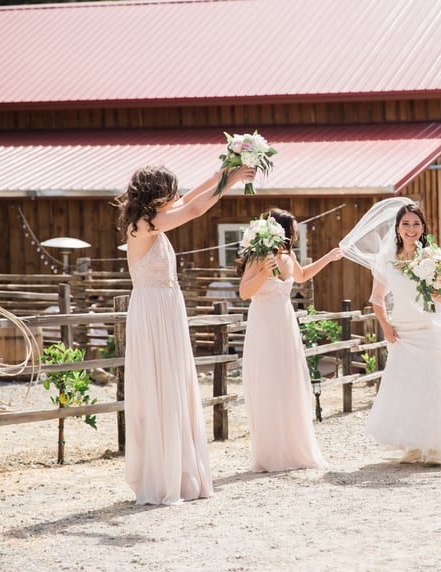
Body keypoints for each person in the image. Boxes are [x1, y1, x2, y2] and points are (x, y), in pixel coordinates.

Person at [116, 163, 255, 505]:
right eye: (171, 191)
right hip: (153, 312)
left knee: (173, 383)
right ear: (156, 195)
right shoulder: (144, 224)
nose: (176, 195)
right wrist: (230, 183)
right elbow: (193, 209)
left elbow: (189, 200)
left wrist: (220, 174)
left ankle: (179, 469)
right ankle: (163, 474)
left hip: (166, 308)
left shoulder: (154, 220)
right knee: (160, 384)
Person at [339, 198, 441, 466]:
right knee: (407, 389)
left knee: (433, 386)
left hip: (431, 329)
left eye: (416, 224)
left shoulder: (432, 256)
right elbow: (377, 299)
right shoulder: (387, 260)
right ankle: (412, 445)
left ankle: (436, 447)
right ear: (398, 228)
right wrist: (386, 327)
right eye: (406, 224)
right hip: (403, 332)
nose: (411, 229)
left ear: (423, 228)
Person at [237, 208, 343, 472]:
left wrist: (328, 258)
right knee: (268, 382)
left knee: (288, 381)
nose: (294, 236)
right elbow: (244, 292)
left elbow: (302, 275)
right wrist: (264, 272)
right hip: (263, 323)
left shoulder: (288, 256)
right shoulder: (258, 257)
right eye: (292, 231)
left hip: (285, 323)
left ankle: (293, 448)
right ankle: (271, 452)